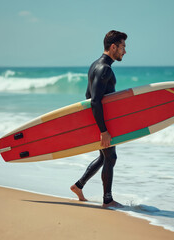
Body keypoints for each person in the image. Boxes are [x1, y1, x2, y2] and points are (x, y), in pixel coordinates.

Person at [70, 30, 127, 208]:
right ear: (113, 47)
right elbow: (94, 100)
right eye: (123, 47)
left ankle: (78, 186)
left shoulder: (96, 65)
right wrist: (103, 130)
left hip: (101, 120)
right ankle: (107, 200)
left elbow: (89, 96)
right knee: (110, 158)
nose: (125, 51)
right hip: (103, 122)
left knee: (105, 158)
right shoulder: (104, 69)